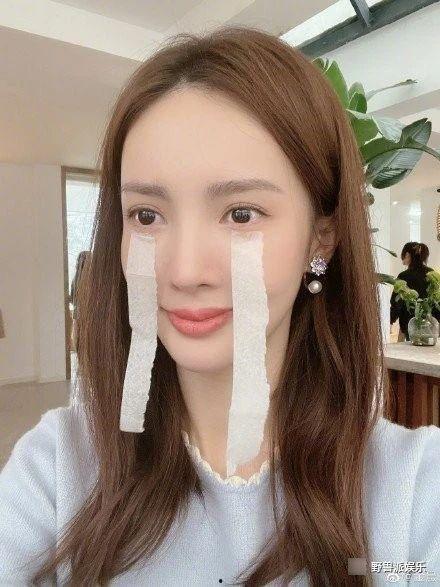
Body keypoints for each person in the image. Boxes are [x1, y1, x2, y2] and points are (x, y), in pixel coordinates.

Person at [0, 25, 439, 586]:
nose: (184, 272)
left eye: (241, 214)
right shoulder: (57, 471)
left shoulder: (412, 496)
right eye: (146, 216)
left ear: (321, 238)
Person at [390, 241, 440, 341]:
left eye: (403, 255)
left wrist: (391, 319)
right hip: (429, 323)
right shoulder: (431, 273)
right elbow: (436, 299)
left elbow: (396, 302)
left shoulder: (403, 276)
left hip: (409, 324)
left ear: (407, 254)